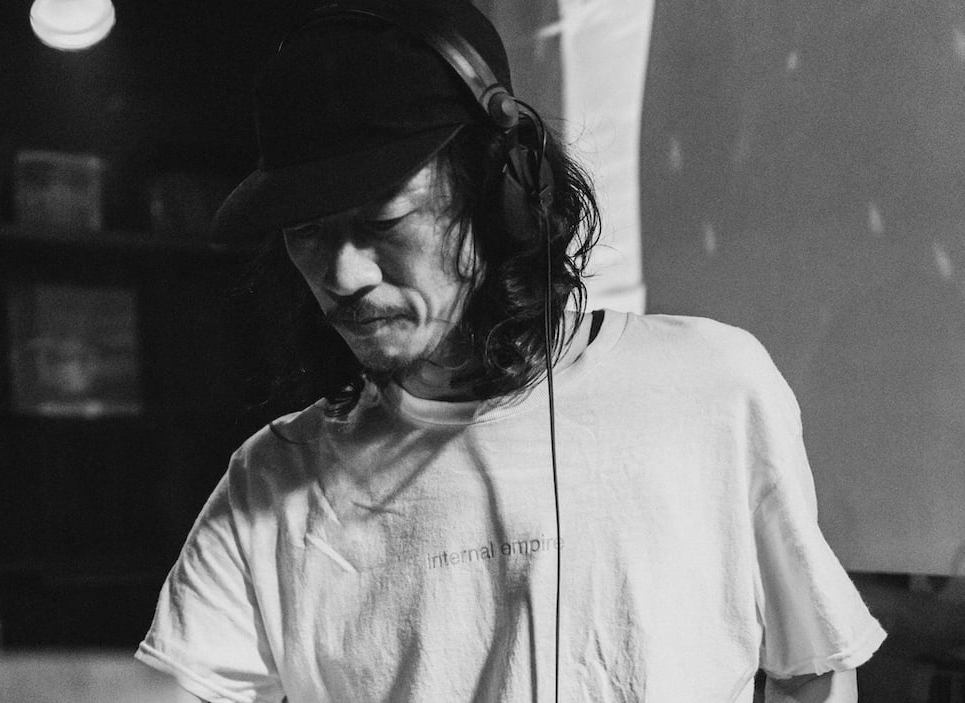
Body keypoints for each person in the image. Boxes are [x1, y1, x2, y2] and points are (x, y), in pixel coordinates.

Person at [129, 0, 887, 700]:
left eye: (385, 219)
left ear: (503, 191)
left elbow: (813, 675)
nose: (343, 275)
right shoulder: (273, 482)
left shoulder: (714, 390)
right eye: (307, 232)